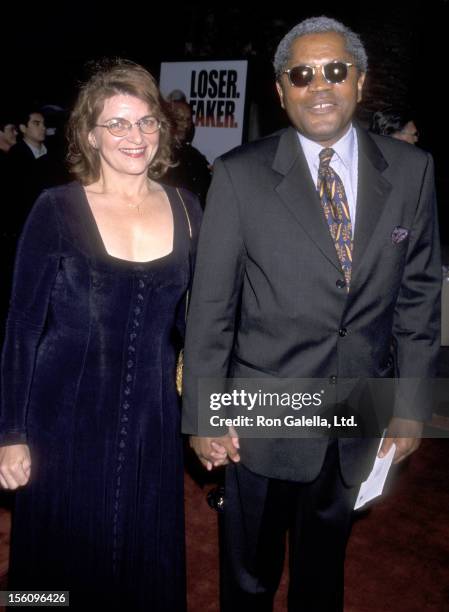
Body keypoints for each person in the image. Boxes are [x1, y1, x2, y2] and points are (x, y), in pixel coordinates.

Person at [182, 16, 441, 612]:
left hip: (359, 407)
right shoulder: (242, 175)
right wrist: (203, 414)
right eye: (301, 74)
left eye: (334, 71)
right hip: (262, 411)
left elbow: (419, 297)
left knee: (324, 574)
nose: (318, 85)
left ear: (360, 80)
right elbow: (212, 309)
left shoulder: (411, 171)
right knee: (250, 576)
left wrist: (410, 408)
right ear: (281, 90)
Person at [0, 59, 201, 611]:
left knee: (141, 558)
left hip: (151, 421)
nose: (133, 136)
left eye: (145, 122)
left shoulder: (188, 209)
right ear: (90, 134)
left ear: (161, 129)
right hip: (62, 417)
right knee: (51, 575)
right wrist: (10, 432)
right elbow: (21, 326)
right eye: (116, 123)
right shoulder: (55, 209)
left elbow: (199, 324)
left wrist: (215, 412)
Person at [163, 100, 211, 208]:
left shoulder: (195, 155)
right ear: (167, 119)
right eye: (179, 118)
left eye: (188, 119)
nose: (185, 125)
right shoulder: (158, 155)